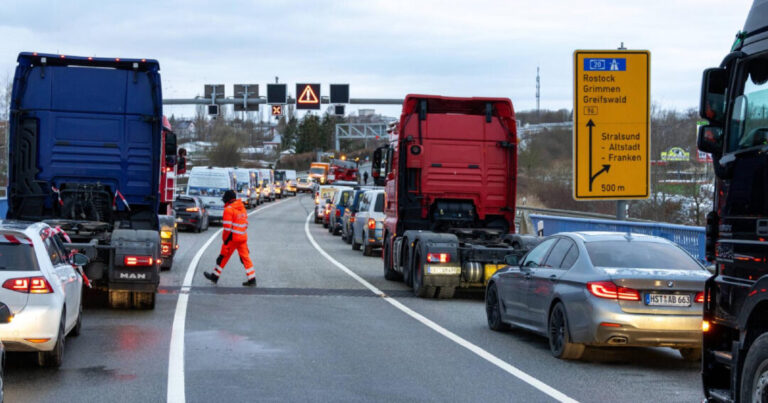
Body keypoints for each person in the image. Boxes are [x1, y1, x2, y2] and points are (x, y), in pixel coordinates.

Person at [203, 190, 256, 286]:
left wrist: (225, 241)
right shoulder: (242, 208)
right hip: (242, 237)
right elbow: (245, 224)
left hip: (232, 238)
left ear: (227, 199)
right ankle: (252, 279)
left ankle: (214, 277)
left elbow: (227, 229)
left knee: (223, 257)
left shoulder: (228, 210)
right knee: (245, 258)